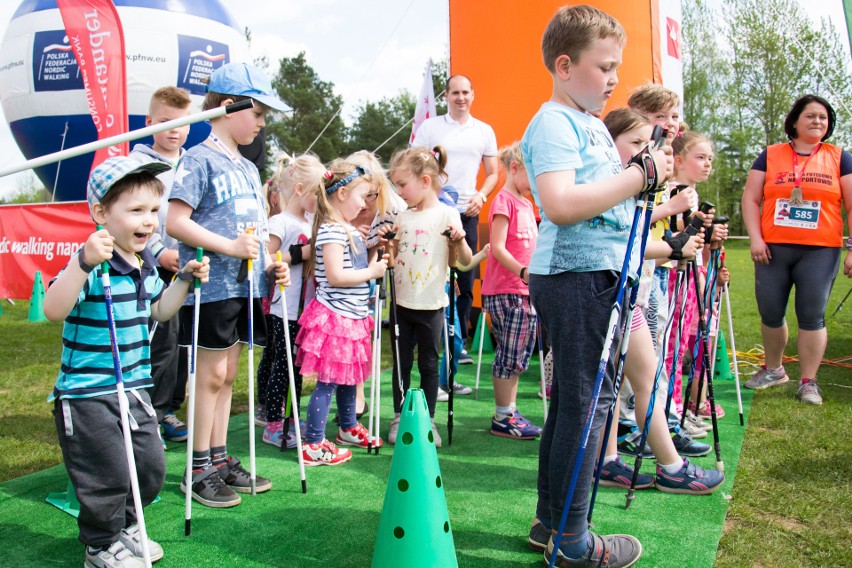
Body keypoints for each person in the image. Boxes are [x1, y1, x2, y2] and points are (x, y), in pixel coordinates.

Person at [521, 6, 673, 567]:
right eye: (604, 66)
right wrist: (639, 176)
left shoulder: (586, 122)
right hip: (578, 277)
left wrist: (646, 183)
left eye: (617, 67)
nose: (614, 80)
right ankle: (573, 541)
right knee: (587, 407)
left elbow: (607, 206)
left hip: (598, 275)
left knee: (574, 405)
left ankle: (552, 522)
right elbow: (560, 205)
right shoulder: (555, 122)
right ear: (565, 65)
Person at [44, 157, 209, 568]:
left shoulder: (142, 265)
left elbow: (160, 312)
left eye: (153, 210)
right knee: (108, 474)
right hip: (86, 395)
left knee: (150, 466)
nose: (149, 220)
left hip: (134, 389)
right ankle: (100, 545)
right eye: (135, 210)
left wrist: (184, 281)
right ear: (101, 213)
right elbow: (53, 308)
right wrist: (83, 264)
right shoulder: (87, 262)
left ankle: (127, 527)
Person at [167, 62, 290, 507]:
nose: (261, 122)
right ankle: (197, 467)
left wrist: (271, 263)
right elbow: (176, 221)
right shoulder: (199, 158)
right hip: (211, 287)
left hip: (244, 287)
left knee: (230, 374)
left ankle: (218, 458)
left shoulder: (249, 168)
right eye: (257, 112)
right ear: (226, 106)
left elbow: (255, 231)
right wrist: (230, 247)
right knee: (211, 374)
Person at [593, 108, 722, 495]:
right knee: (630, 380)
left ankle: (613, 458)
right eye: (635, 143)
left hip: (629, 289)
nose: (644, 150)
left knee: (633, 378)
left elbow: (631, 242)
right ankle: (668, 465)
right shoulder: (611, 182)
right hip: (611, 291)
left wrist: (672, 245)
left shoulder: (627, 183)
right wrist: (669, 241)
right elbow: (618, 241)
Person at [742, 94, 852, 405]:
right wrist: (756, 238)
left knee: (812, 316)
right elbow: (750, 199)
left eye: (824, 117)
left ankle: (808, 382)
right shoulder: (770, 155)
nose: (818, 121)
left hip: (820, 251)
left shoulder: (840, 157)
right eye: (811, 116)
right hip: (772, 249)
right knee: (771, 312)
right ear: (795, 121)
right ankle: (775, 370)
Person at [294, 160, 388, 466]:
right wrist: (373, 270)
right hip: (336, 317)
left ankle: (347, 427)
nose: (364, 204)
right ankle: (313, 443)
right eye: (362, 197)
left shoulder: (346, 229)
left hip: (353, 316)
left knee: (350, 377)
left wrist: (374, 250)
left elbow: (356, 267)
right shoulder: (332, 231)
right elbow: (335, 275)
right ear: (343, 192)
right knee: (329, 382)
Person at [382, 146, 472, 448]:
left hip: (432, 305)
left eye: (402, 185)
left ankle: (428, 419)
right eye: (396, 185)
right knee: (401, 363)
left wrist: (458, 241)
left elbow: (463, 261)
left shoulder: (448, 213)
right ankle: (399, 417)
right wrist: (389, 247)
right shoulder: (402, 216)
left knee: (430, 365)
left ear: (425, 181)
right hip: (401, 303)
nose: (399, 191)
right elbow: (393, 257)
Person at [413, 74, 499, 362]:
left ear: (473, 95)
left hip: (467, 213)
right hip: (435, 212)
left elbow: (493, 173)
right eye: (455, 93)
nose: (460, 98)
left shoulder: (484, 130)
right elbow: (416, 166)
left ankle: (458, 340)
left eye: (465, 92)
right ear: (446, 96)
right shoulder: (430, 127)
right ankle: (433, 339)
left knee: (466, 275)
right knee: (434, 273)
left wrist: (481, 196)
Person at [130, 86, 193, 445]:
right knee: (161, 341)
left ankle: (170, 407)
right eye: (166, 122)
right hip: (154, 266)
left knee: (184, 342)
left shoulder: (191, 161)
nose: (174, 130)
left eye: (182, 123)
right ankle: (151, 411)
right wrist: (158, 251)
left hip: (187, 266)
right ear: (149, 122)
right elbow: (139, 211)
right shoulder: (138, 163)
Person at [480, 142, 542, 440]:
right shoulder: (504, 202)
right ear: (515, 168)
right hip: (508, 291)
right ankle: (503, 416)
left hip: (524, 290)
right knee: (509, 353)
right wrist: (523, 272)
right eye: (535, 173)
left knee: (519, 354)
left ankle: (509, 410)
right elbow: (499, 248)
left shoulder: (527, 204)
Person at [261, 153, 323, 449]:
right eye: (315, 192)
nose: (319, 199)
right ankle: (273, 422)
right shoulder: (280, 221)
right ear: (300, 190)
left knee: (297, 366)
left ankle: (292, 417)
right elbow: (268, 259)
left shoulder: (312, 220)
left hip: (305, 308)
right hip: (283, 307)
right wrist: (301, 253)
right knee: (282, 364)